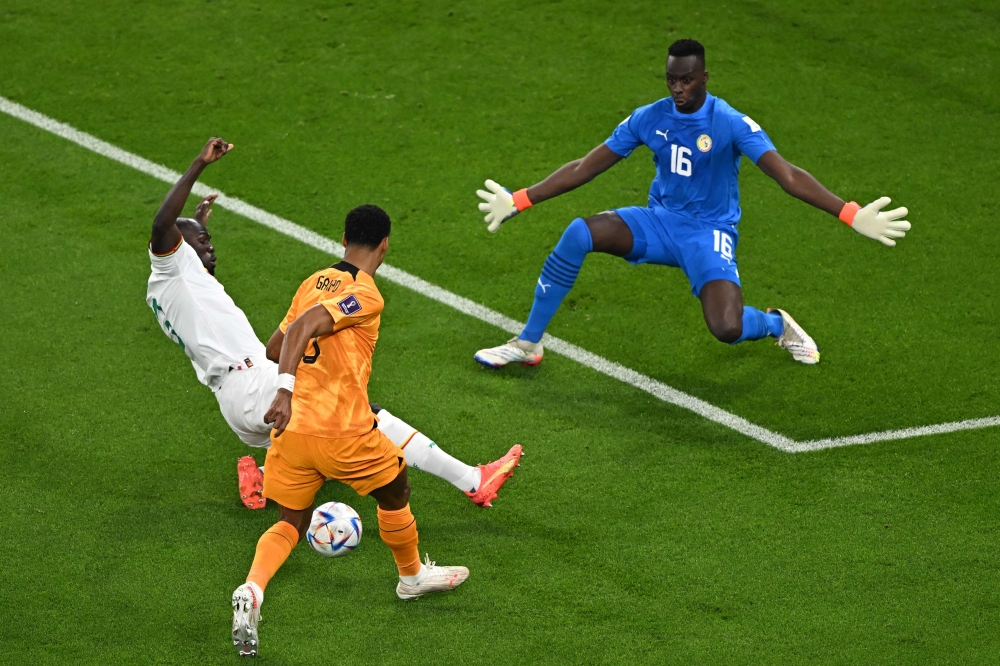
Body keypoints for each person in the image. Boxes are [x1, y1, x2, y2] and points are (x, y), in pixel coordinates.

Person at [474, 39, 910, 368]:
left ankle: (777, 324)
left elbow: (787, 175)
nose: (677, 89)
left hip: (709, 233)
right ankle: (529, 343)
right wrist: (521, 198)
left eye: (686, 80)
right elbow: (587, 165)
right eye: (671, 80)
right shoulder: (650, 117)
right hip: (659, 223)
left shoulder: (730, 122)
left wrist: (849, 212)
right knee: (578, 233)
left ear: (704, 78)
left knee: (727, 328)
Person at [145, 138, 521, 512]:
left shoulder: (171, 286)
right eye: (201, 242)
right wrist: (199, 164)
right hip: (252, 383)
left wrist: (196, 224)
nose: (210, 248)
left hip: (235, 397)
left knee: (321, 438)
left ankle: (265, 480)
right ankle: (474, 480)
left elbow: (186, 255)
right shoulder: (170, 267)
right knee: (357, 416)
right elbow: (163, 226)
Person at [231, 205, 468, 656]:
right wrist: (283, 389)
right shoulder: (367, 294)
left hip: (294, 431)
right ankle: (411, 577)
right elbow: (304, 326)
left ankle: (253, 590)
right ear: (384, 245)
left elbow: (275, 345)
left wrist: (290, 387)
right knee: (396, 489)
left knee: (290, 522)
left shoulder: (313, 281)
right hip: (342, 430)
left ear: (343, 239)